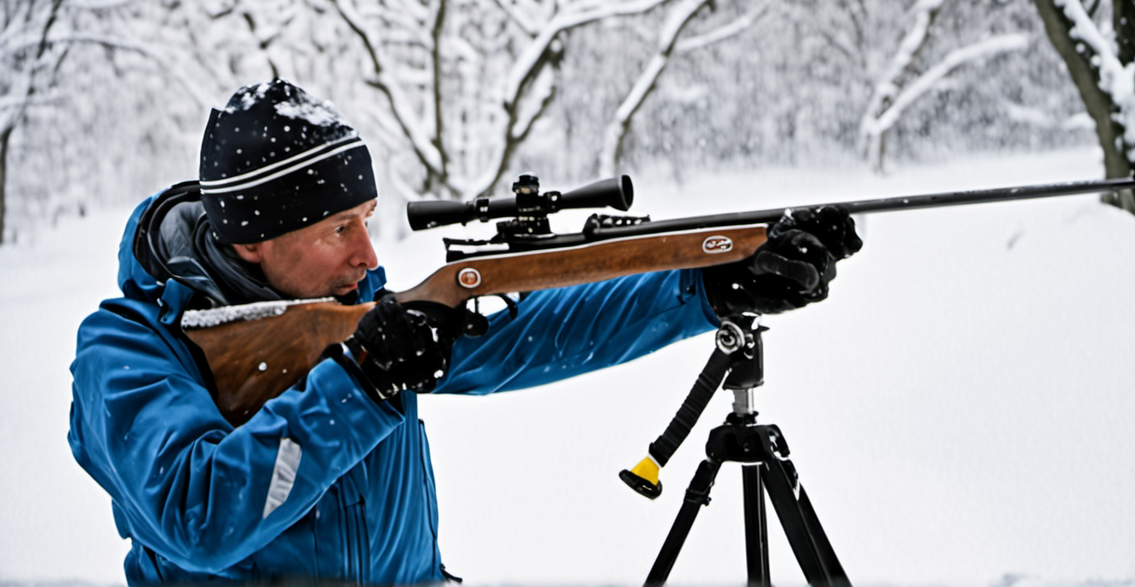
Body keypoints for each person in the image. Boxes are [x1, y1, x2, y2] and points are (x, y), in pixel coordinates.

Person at [67, 79, 862, 584]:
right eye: (339, 228)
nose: (369, 255)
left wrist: (703, 286)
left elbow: (529, 337)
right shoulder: (129, 348)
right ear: (252, 240)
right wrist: (363, 380)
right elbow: (199, 514)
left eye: (369, 220)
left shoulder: (353, 304)